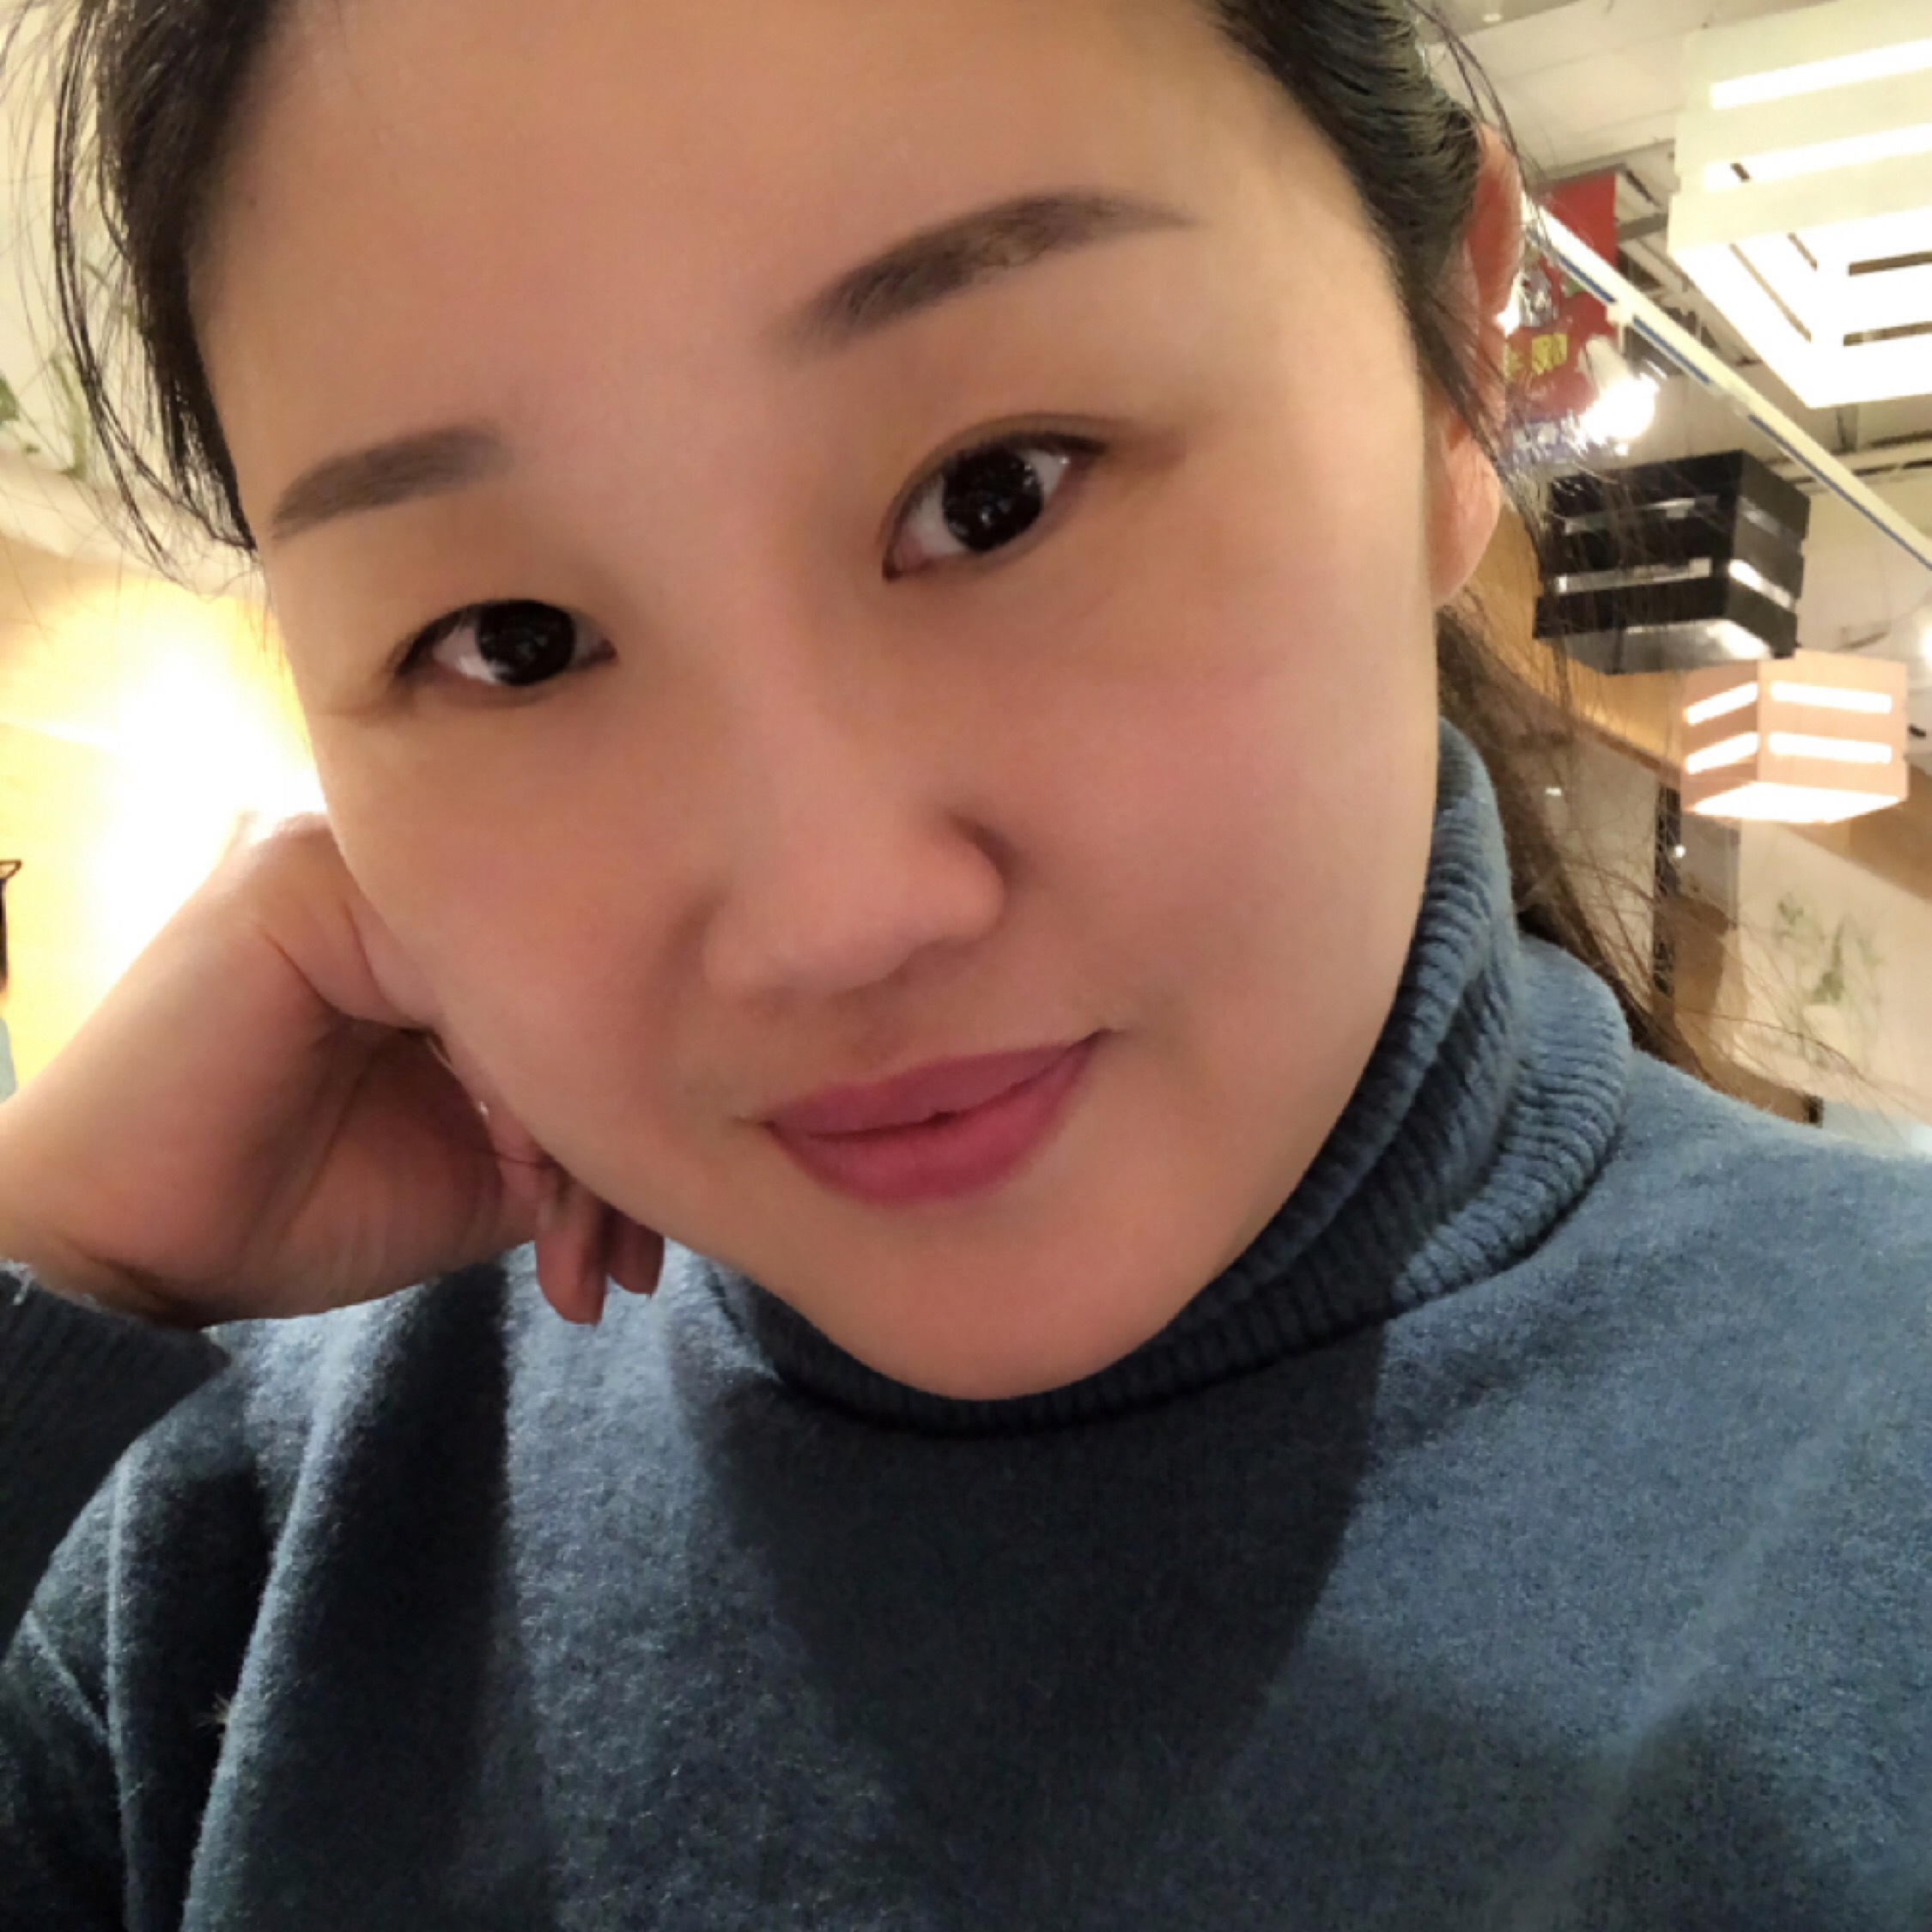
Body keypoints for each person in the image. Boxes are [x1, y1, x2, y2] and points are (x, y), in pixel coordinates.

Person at [1, 0, 1928, 1923]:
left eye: (999, 490)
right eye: (512, 639)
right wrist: (59, 1275)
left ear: (1449, 374)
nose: (830, 913)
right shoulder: (217, 1549)